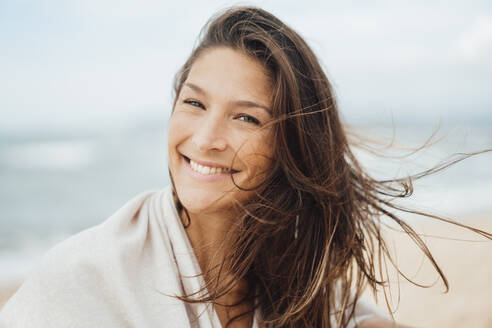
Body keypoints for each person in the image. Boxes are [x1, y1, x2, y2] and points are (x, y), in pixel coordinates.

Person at [1, 6, 489, 328]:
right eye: (194, 103)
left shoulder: (286, 268)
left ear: (289, 146)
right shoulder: (85, 274)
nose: (206, 138)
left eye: (246, 117)